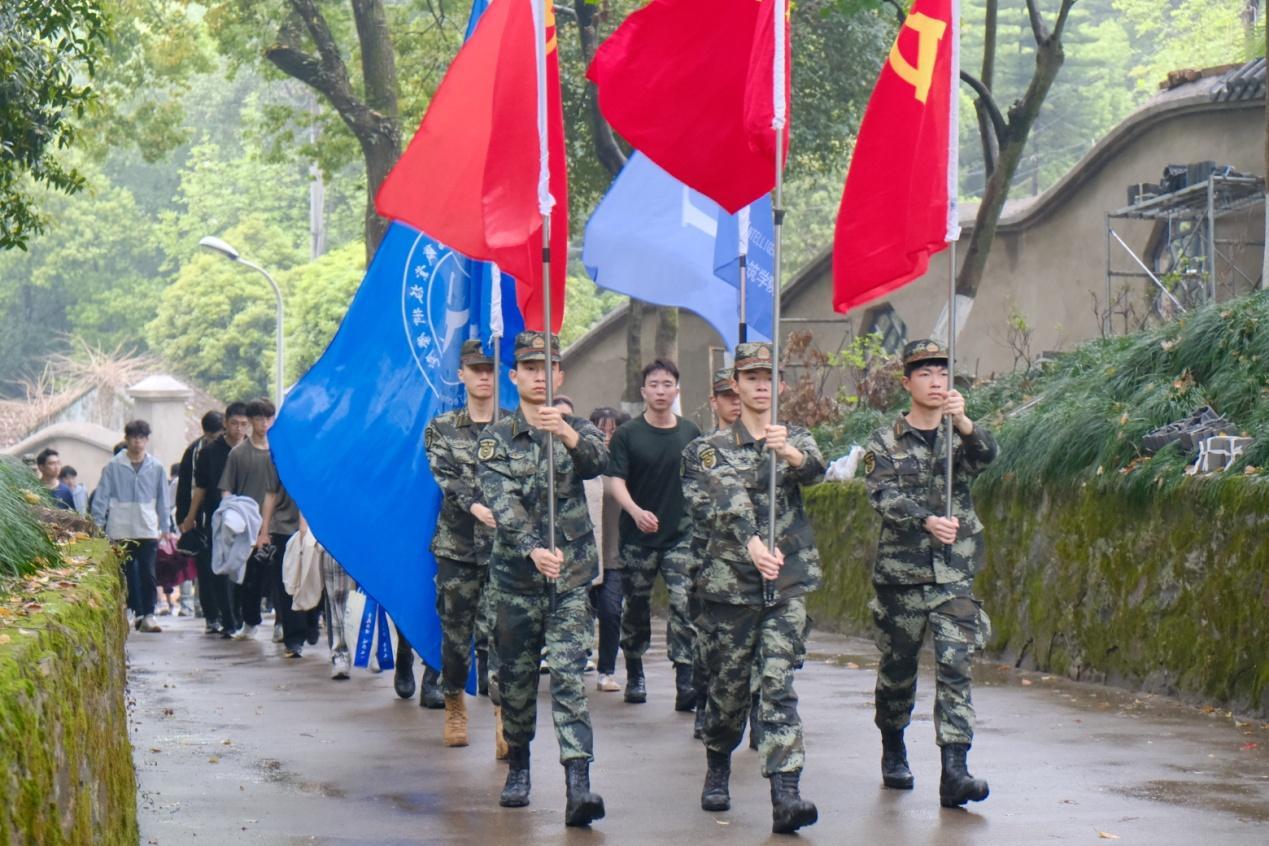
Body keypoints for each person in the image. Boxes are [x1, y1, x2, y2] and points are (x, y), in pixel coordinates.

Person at [682, 343, 823, 834]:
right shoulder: (706, 449)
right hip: (730, 587)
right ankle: (718, 761)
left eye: (770, 376)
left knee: (777, 684)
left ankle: (787, 793)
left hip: (786, 581)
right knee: (728, 691)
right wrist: (752, 542)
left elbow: (816, 471)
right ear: (735, 386)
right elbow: (724, 502)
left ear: (779, 385)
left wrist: (790, 452)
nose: (762, 384)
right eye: (752, 376)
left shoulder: (795, 436)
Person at [477, 330, 608, 827]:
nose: (539, 376)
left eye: (548, 368)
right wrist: (532, 548)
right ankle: (519, 766)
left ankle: (579, 785)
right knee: (516, 681)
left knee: (572, 678)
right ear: (515, 377)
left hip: (571, 579)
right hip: (516, 581)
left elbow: (601, 463)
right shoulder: (495, 440)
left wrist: (569, 433)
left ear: (560, 376)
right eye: (530, 368)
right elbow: (502, 505)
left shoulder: (578, 428)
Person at [863, 339, 997, 809]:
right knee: (898, 670)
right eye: (925, 373)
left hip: (953, 574)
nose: (936, 380)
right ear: (907, 382)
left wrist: (963, 423)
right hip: (902, 575)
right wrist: (924, 517)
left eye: (942, 372)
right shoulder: (885, 440)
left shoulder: (958, 433)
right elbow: (880, 495)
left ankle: (955, 770)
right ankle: (893, 745)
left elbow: (987, 458)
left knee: (956, 665)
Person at [606, 359, 702, 709]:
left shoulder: (691, 433)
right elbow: (615, 479)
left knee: (684, 604)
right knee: (636, 608)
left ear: (676, 390)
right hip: (638, 539)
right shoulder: (627, 434)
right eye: (654, 384)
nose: (661, 390)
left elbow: (701, 480)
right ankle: (634, 670)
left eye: (667, 384)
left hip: (681, 536)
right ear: (644, 391)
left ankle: (685, 679)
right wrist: (634, 510)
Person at [424, 339, 502, 751]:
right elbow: (445, 476)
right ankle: (455, 702)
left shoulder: (513, 427)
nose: (483, 376)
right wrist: (474, 505)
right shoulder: (441, 428)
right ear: (462, 376)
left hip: (506, 549)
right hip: (457, 547)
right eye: (476, 370)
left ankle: (507, 717)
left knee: (507, 637)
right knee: (456, 637)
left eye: (489, 369)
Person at [220, 398, 310, 655]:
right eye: (258, 418)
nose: (263, 423)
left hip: (288, 525)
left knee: (285, 579)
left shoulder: (284, 451)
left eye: (268, 418)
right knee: (254, 579)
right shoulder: (239, 454)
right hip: (252, 527)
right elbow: (228, 488)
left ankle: (286, 625)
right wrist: (231, 517)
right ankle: (252, 622)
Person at [686, 368, 744, 738]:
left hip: (761, 565)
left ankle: (757, 717)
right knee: (710, 642)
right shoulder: (700, 451)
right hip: (712, 559)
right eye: (728, 397)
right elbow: (699, 503)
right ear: (715, 402)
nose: (735, 403)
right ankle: (705, 700)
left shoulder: (769, 443)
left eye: (739, 395)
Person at [91, 420, 171, 633]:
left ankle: (149, 614)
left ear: (147, 440)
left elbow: (163, 498)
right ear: (126, 439)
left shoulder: (156, 467)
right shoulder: (114, 466)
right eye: (134, 437)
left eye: (142, 437)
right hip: (120, 527)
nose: (138, 441)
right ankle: (131, 611)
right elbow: (102, 496)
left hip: (147, 527)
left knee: (148, 572)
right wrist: (97, 523)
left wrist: (166, 526)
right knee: (125, 572)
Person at [183, 402, 250, 637]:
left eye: (244, 424)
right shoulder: (208, 453)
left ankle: (241, 615)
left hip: (248, 519)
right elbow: (199, 489)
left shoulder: (254, 450)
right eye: (234, 423)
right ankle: (228, 620)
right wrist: (190, 517)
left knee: (245, 568)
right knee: (220, 568)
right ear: (225, 423)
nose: (239, 429)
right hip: (217, 518)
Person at [588, 407, 630, 693]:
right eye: (601, 430)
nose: (606, 436)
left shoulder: (623, 467)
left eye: (612, 431)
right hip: (584, 555)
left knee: (611, 611)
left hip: (614, 554)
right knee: (578, 615)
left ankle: (607, 670)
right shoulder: (582, 464)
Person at [176, 412, 225, 631]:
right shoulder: (194, 452)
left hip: (227, 516)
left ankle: (229, 614)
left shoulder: (231, 448)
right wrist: (185, 518)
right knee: (205, 569)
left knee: (228, 566)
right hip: (203, 519)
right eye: (212, 436)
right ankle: (212, 615)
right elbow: (186, 487)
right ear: (205, 433)